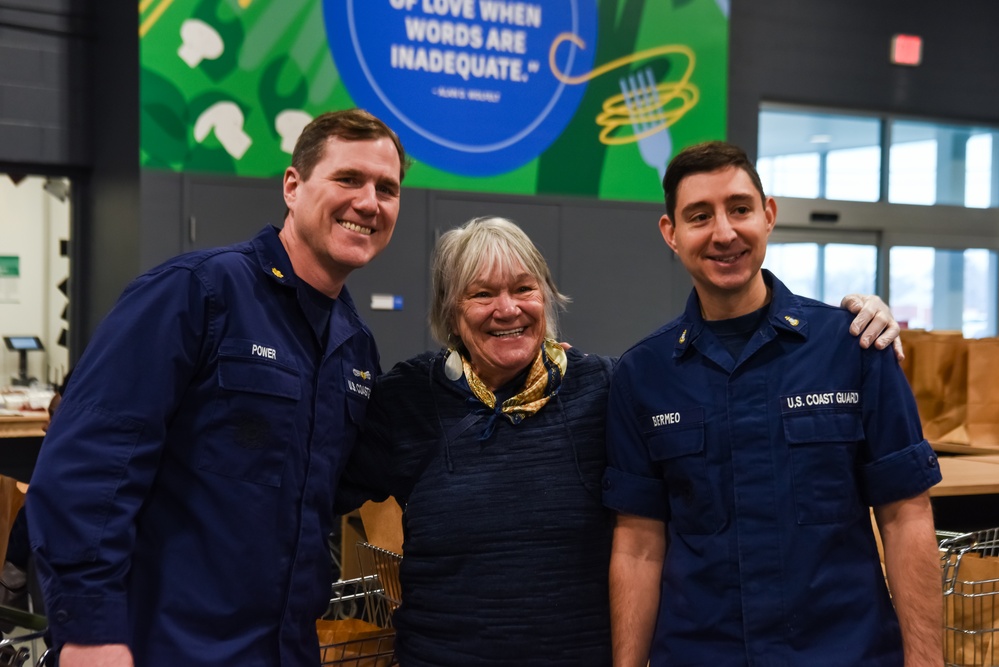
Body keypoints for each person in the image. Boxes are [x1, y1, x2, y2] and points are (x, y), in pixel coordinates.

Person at [336, 216, 904, 666]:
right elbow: (320, 483)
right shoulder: (407, 400)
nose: (507, 309)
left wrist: (847, 327)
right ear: (449, 313)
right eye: (481, 294)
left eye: (524, 288)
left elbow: (725, 423)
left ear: (548, 299)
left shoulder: (608, 386)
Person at [26, 108, 408, 667]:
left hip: (284, 651)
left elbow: (335, 485)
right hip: (161, 648)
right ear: (293, 186)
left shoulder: (355, 347)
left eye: (387, 188)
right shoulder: (196, 294)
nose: (369, 202)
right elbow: (86, 469)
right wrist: (90, 634)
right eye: (348, 178)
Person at [604, 141, 943, 666]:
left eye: (739, 208)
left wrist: (927, 662)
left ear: (769, 215)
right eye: (699, 216)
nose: (724, 232)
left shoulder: (853, 348)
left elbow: (906, 516)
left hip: (844, 652)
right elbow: (639, 544)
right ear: (671, 234)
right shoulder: (643, 375)